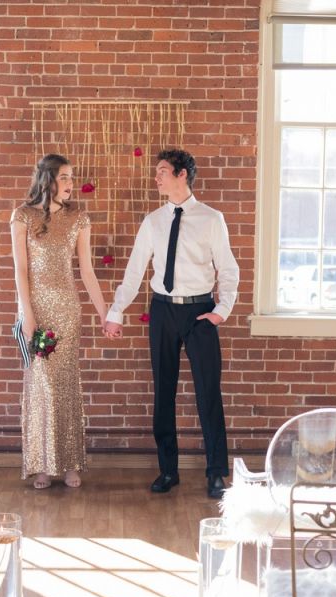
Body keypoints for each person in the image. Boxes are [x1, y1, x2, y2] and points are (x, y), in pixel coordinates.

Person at [105, 149, 239, 499]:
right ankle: (168, 471)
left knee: (208, 393)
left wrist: (221, 311)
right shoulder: (153, 221)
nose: (157, 178)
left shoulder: (212, 219)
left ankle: (215, 473)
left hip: (200, 313)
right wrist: (115, 312)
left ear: (182, 175)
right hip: (162, 311)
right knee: (163, 391)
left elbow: (228, 270)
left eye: (162, 172)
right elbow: (135, 271)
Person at [10, 153, 107, 489]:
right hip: (36, 309)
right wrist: (27, 314)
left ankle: (69, 463)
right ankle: (41, 464)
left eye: (71, 177)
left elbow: (87, 271)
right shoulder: (22, 215)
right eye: (65, 177)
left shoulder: (78, 219)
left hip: (67, 310)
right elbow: (20, 270)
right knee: (41, 387)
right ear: (48, 179)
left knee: (66, 384)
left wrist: (104, 312)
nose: (71, 184)